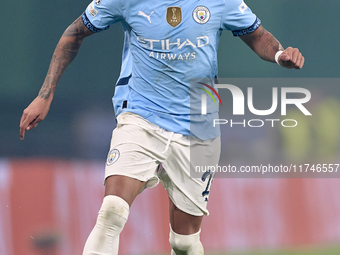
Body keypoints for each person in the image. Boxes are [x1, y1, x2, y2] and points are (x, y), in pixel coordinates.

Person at [19, 0, 304, 254]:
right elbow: (75, 31)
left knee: (185, 243)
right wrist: (45, 95)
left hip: (197, 128)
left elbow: (259, 36)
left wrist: (280, 56)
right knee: (112, 212)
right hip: (140, 118)